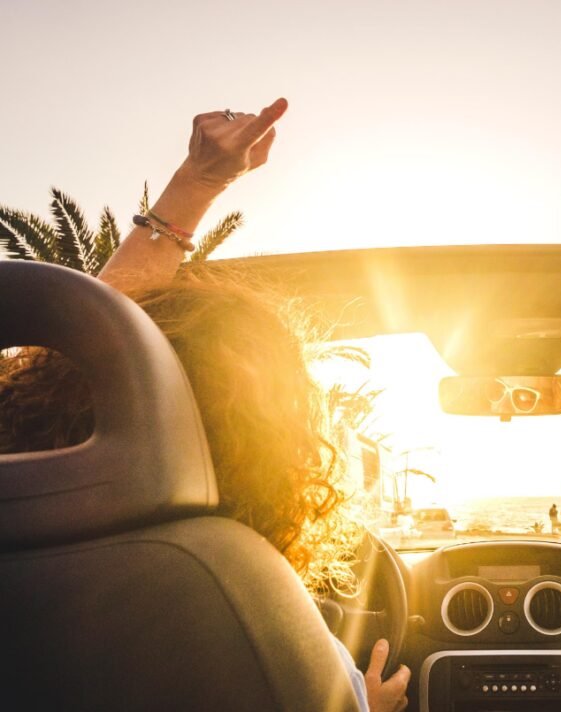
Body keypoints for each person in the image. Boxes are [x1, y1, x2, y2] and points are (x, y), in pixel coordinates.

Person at [0, 99, 409, 712]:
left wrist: (196, 182)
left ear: (56, 391)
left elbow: (92, 336)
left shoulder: (20, 562)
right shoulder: (258, 608)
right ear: (276, 447)